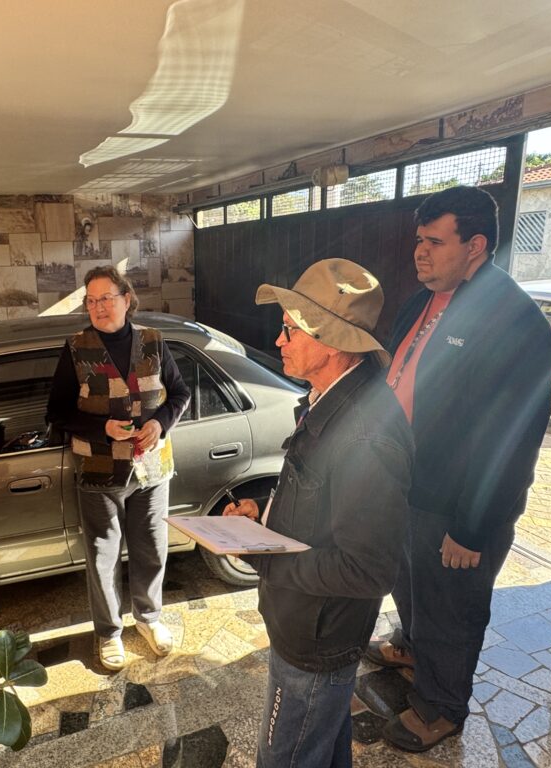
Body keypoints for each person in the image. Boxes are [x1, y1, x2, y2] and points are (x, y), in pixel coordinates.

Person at [367, 186, 551, 752]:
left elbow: (510, 441)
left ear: (475, 245)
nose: (419, 253)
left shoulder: (516, 325)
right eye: (418, 241)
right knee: (408, 583)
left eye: (433, 242)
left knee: (451, 606)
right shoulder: (421, 300)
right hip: (403, 484)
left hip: (455, 505)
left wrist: (473, 527)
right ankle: (413, 650)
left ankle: (440, 706)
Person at [223, 259, 413, 768]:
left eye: (289, 329)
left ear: (332, 343)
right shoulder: (330, 398)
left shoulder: (365, 433)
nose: (278, 340)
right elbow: (321, 501)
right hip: (307, 623)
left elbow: (369, 569)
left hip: (316, 638)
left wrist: (263, 554)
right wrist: (262, 516)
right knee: (323, 749)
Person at [47, 266, 190, 671]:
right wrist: (102, 428)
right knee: (103, 556)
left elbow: (179, 393)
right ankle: (108, 631)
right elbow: (56, 412)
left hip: (151, 470)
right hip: (99, 472)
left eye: (106, 298)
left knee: (151, 550)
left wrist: (160, 423)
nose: (98, 307)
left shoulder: (153, 341)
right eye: (91, 301)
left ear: (126, 299)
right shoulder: (76, 348)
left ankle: (149, 618)